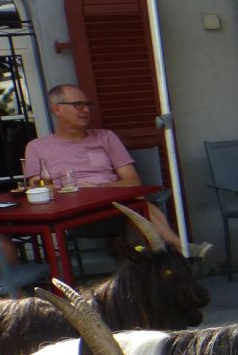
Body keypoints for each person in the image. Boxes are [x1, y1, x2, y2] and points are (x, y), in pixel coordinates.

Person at [22, 83, 205, 258]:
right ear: (57, 109)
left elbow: (133, 181)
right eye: (78, 105)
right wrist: (79, 193)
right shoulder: (37, 147)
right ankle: (179, 250)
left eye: (87, 105)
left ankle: (165, 262)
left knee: (137, 210)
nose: (85, 110)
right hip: (74, 214)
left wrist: (99, 190)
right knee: (138, 209)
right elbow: (40, 191)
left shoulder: (106, 137)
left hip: (115, 207)